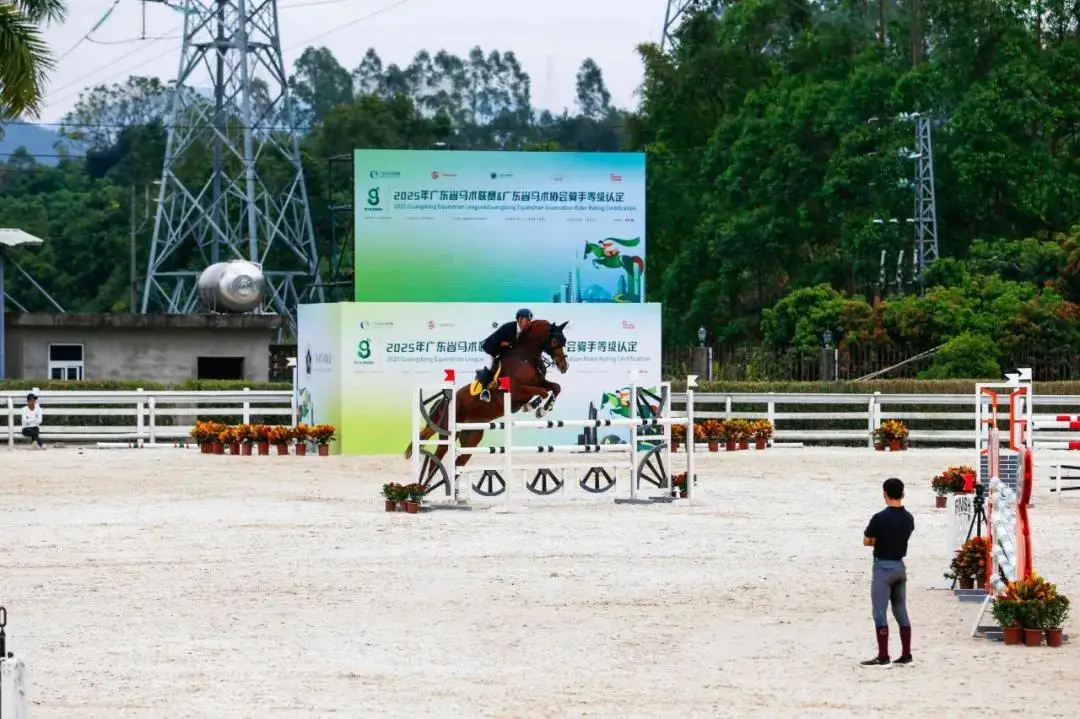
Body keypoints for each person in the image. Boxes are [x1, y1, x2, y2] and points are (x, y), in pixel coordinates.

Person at [861, 477, 914, 666]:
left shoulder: (879, 518)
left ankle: (883, 655)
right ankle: (906, 654)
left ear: (885, 494)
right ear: (903, 494)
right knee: (901, 610)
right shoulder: (909, 518)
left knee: (879, 612)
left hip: (883, 567)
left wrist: (880, 540)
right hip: (900, 566)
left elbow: (867, 541)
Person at [476, 308, 533, 401]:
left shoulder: (526, 331)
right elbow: (499, 342)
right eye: (527, 320)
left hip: (506, 352)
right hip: (493, 349)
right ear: (519, 319)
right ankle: (485, 391)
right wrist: (509, 344)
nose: (528, 323)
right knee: (490, 366)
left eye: (530, 321)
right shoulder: (508, 327)